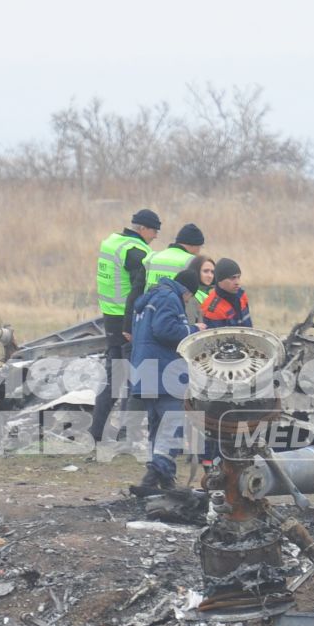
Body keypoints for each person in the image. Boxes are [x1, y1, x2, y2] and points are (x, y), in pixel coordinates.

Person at [128, 257, 207, 494]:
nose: (187, 301)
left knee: (157, 425)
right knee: (174, 423)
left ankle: (165, 480)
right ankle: (153, 475)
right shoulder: (169, 298)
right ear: (187, 291)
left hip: (145, 370)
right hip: (163, 372)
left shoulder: (150, 299)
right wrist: (194, 330)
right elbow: (164, 330)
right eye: (189, 297)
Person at [89, 209, 160, 443]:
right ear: (142, 229)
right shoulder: (136, 251)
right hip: (128, 321)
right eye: (154, 230)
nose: (156, 235)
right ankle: (127, 433)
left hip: (110, 317)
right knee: (133, 376)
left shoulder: (112, 242)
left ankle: (97, 431)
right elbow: (138, 289)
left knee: (113, 376)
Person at [144, 223, 204, 288]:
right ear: (194, 245)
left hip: (150, 297)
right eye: (200, 246)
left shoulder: (152, 256)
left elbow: (138, 286)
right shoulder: (192, 261)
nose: (199, 251)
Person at [200, 257, 251, 328]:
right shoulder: (212, 310)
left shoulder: (241, 295)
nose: (237, 282)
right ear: (220, 280)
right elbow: (216, 338)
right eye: (232, 278)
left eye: (238, 277)